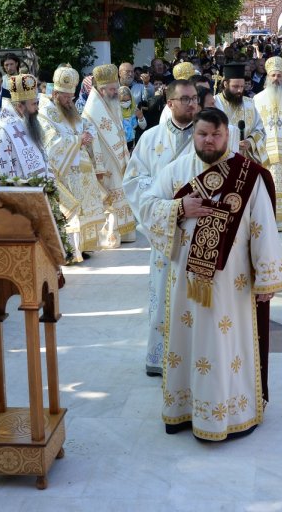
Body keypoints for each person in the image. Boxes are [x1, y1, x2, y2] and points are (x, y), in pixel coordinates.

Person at [140, 107, 282, 441]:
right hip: (185, 284)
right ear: (194, 135)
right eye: (203, 134)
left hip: (233, 284)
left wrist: (266, 278)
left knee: (227, 346)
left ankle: (232, 411)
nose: (209, 141)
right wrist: (179, 208)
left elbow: (263, 225)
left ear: (227, 136)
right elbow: (146, 208)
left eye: (216, 134)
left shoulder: (247, 174)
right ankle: (186, 410)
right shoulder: (176, 170)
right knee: (188, 342)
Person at [124, 79, 199, 377]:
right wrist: (169, 204)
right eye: (184, 99)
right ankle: (160, 356)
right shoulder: (151, 138)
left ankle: (195, 357)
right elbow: (134, 181)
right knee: (163, 294)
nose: (191, 104)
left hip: (197, 229)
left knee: (196, 297)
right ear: (169, 103)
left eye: (194, 98)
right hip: (164, 231)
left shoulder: (205, 137)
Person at [39, 65, 113, 263]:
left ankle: (85, 246)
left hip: (82, 170)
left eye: (71, 97)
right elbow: (51, 144)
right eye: (65, 97)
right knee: (73, 213)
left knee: (87, 209)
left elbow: (83, 124)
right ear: (55, 93)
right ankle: (71, 251)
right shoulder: (45, 112)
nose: (70, 101)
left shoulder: (70, 108)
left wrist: (87, 133)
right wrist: (78, 140)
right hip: (65, 173)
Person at [82, 64, 137, 243]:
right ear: (102, 89)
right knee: (110, 200)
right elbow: (92, 143)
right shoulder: (92, 110)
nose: (116, 93)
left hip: (119, 160)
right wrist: (99, 166)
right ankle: (111, 235)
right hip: (105, 164)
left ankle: (126, 232)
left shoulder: (112, 105)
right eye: (112, 89)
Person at [253, 57, 282, 231]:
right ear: (268, 76)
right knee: (266, 185)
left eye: (279, 75)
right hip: (265, 150)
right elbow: (253, 124)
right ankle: (268, 220)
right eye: (273, 75)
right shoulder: (257, 99)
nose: (276, 79)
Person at [0, 74, 51, 180]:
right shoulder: (3, 131)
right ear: (20, 106)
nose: (37, 108)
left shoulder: (27, 123)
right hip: (22, 193)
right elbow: (2, 172)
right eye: (34, 104)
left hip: (39, 190)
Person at [215, 63, 265, 158]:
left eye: (242, 87)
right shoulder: (214, 103)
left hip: (246, 159)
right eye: (235, 86)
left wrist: (250, 142)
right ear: (225, 84)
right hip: (221, 158)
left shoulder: (249, 103)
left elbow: (259, 129)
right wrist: (232, 144)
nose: (239, 90)